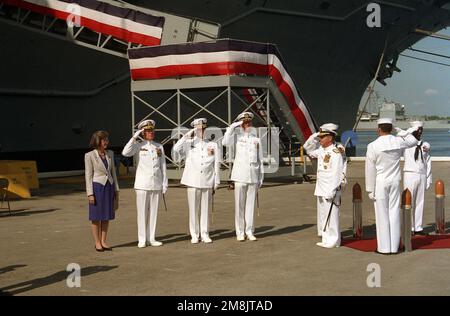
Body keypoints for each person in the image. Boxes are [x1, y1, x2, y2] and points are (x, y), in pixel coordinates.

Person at [365, 118, 419, 254]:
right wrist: (400, 131)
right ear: (391, 128)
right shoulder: (398, 141)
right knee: (394, 212)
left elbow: (370, 169)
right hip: (395, 180)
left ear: (378, 129)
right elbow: (413, 141)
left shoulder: (372, 145)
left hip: (381, 181)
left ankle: (384, 248)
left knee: (381, 214)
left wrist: (370, 189)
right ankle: (394, 247)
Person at [172, 118, 220, 244]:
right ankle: (194, 234)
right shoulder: (189, 143)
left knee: (205, 209)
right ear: (195, 130)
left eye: (203, 129)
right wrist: (186, 135)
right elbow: (176, 149)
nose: (202, 131)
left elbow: (216, 164)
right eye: (199, 129)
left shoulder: (212, 145)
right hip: (192, 181)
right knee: (193, 209)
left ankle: (205, 233)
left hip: (207, 180)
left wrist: (216, 181)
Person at [122, 120, 168, 248]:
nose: (150, 133)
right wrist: (135, 136)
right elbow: (125, 152)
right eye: (147, 131)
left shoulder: (159, 146)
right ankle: (142, 239)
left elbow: (162, 166)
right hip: (142, 184)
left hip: (156, 184)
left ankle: (151, 237)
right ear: (143, 133)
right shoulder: (138, 146)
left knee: (153, 212)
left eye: (151, 131)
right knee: (142, 212)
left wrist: (164, 183)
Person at [303, 123, 346, 248]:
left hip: (330, 188)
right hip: (321, 187)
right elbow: (308, 148)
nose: (319, 139)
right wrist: (315, 135)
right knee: (323, 214)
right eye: (319, 137)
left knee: (332, 214)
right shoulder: (322, 150)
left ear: (330, 138)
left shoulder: (335, 152)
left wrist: (333, 189)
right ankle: (326, 237)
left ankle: (334, 240)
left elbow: (337, 172)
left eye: (322, 137)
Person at [222, 112, 263, 241]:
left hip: (253, 175)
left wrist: (261, 176)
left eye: (249, 123)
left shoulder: (256, 140)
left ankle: (249, 230)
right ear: (241, 125)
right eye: (245, 123)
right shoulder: (236, 137)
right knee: (239, 205)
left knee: (250, 205)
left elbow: (260, 159)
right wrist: (232, 126)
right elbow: (224, 142)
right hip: (240, 175)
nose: (248, 125)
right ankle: (240, 232)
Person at [84, 131, 119, 252]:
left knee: (106, 216)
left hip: (109, 186)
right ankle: (97, 242)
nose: (106, 142)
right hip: (97, 188)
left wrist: (116, 189)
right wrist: (90, 194)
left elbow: (113, 172)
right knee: (96, 217)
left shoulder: (110, 153)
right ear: (97, 141)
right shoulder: (89, 156)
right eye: (104, 140)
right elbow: (88, 175)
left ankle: (104, 241)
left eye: (107, 140)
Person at [403, 121, 432, 234]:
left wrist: (428, 178)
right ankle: (409, 227)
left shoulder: (425, 145)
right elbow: (396, 140)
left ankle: (418, 227)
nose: (419, 132)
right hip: (410, 174)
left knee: (420, 201)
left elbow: (428, 161)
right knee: (408, 201)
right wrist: (407, 133)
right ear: (412, 130)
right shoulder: (405, 143)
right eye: (417, 130)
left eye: (421, 130)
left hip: (422, 175)